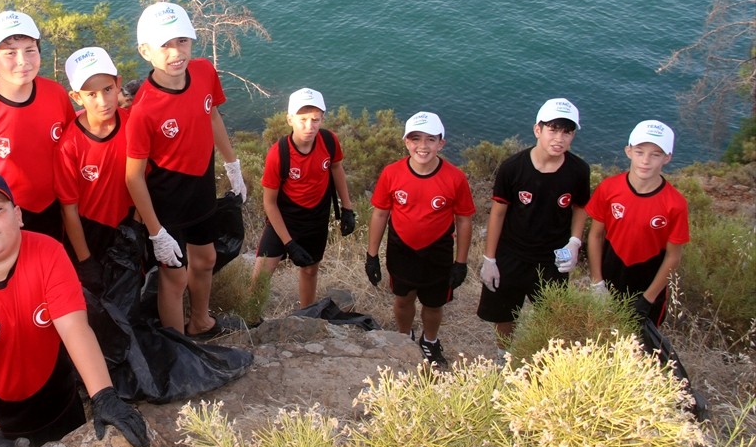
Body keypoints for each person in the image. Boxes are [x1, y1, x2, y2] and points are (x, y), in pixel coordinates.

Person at [0, 169, 150, 447]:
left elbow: (75, 329)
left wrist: (103, 395)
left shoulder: (49, 253)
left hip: (56, 395)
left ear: (18, 215)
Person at [125, 2, 247, 338]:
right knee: (174, 276)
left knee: (206, 258)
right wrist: (156, 232)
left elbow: (212, 116)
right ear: (145, 51)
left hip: (202, 187)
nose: (175, 52)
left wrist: (231, 163)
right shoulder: (144, 108)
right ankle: (178, 347)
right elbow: (133, 176)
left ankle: (201, 322)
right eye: (164, 45)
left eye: (182, 41)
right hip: (167, 198)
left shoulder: (204, 71)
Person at [476, 98, 591, 348]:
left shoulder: (579, 170)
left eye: (567, 132)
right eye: (553, 129)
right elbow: (498, 213)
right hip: (512, 254)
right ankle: (503, 356)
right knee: (505, 315)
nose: (559, 138)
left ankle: (543, 362)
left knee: (552, 317)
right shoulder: (513, 168)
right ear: (537, 130)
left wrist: (574, 242)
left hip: (552, 259)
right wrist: (490, 259)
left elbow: (581, 207)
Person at [365, 111, 474, 369]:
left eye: (430, 139)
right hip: (401, 249)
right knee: (403, 299)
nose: (422, 146)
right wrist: (371, 256)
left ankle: (430, 340)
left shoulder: (455, 178)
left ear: (441, 143)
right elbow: (381, 213)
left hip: (438, 251)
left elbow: (464, 219)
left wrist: (461, 262)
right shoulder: (392, 173)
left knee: (434, 303)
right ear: (406, 142)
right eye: (415, 138)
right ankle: (405, 338)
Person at [0, 10, 75, 241]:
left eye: (30, 50)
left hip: (62, 205)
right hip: (9, 216)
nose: (23, 61)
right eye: (10, 53)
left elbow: (74, 145)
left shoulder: (55, 93)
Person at [251, 88, 356, 306]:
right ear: (290, 119)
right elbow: (269, 203)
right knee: (261, 275)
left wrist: (347, 208)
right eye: (303, 119)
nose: (310, 126)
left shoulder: (328, 141)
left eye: (315, 119)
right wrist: (289, 244)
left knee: (309, 270)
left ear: (322, 119)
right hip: (284, 218)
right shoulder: (278, 154)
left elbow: (336, 168)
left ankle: (307, 314)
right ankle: (249, 318)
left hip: (316, 217)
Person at [586, 120, 690, 326]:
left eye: (656, 154)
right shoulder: (609, 188)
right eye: (640, 152)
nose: (646, 161)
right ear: (628, 151)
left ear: (667, 158)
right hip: (609, 277)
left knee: (639, 350)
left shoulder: (675, 204)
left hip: (648, 285)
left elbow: (673, 256)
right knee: (600, 337)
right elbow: (595, 235)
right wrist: (597, 282)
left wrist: (648, 299)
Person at [56, 47, 133, 292]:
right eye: (91, 94)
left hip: (129, 224)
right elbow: (69, 210)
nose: (103, 101)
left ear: (118, 84)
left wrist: (139, 227)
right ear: (77, 97)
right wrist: (85, 260)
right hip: (91, 231)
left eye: (108, 89)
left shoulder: (132, 123)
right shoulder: (69, 145)